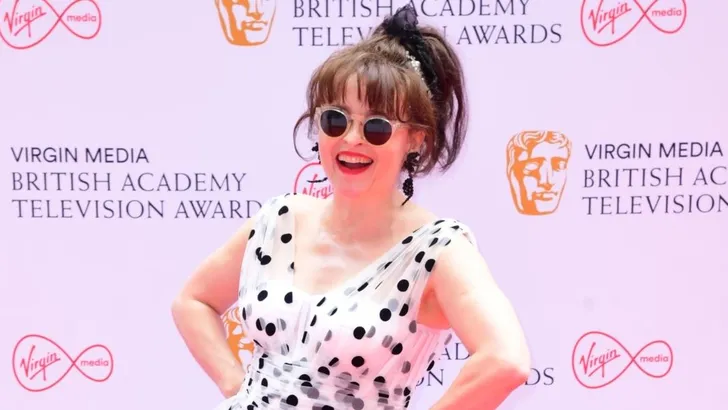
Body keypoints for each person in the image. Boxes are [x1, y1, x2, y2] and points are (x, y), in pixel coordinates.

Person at [172, 5, 530, 410]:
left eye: (377, 127)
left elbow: (506, 360)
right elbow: (193, 301)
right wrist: (237, 386)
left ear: (416, 139)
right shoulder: (279, 220)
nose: (352, 139)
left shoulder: (436, 250)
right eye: (336, 121)